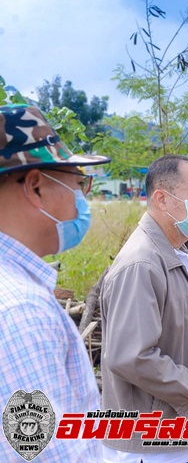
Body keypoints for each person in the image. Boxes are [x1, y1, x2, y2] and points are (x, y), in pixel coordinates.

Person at [100, 155, 188, 462]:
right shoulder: (142, 263)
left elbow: (178, 338)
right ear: (162, 199)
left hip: (181, 435)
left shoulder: (179, 255)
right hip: (153, 446)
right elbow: (132, 357)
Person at [0, 104, 110, 462]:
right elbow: (46, 452)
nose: (83, 199)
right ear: (36, 186)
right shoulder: (20, 310)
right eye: (78, 184)